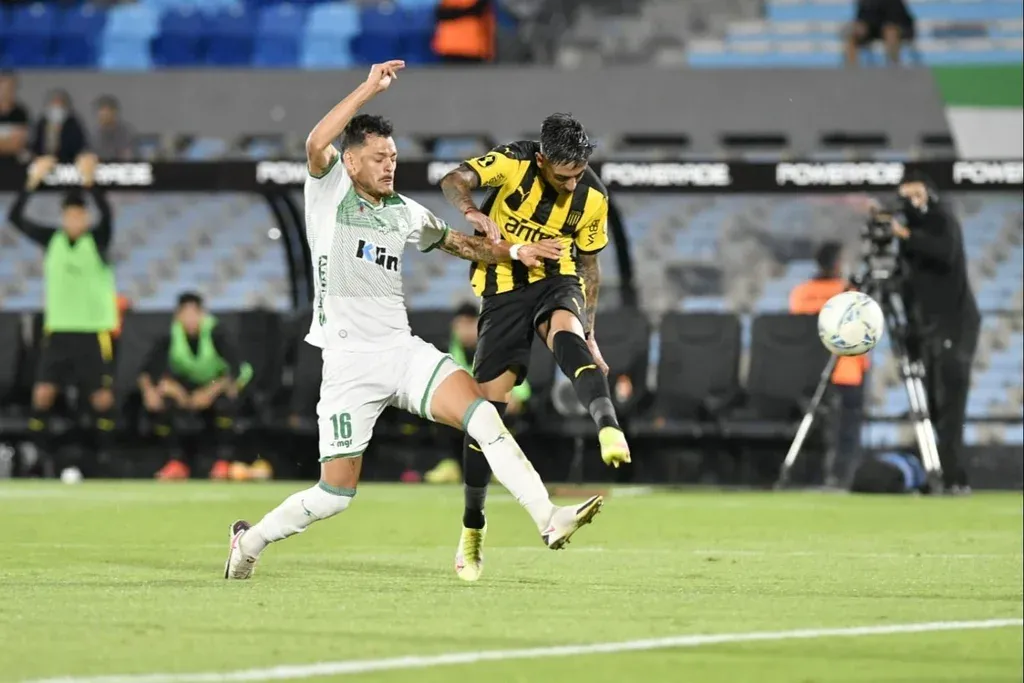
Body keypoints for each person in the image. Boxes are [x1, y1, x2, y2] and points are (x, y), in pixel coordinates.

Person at [224, 61, 601, 581]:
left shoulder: (404, 211)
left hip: (402, 352)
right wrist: (368, 89)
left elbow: (462, 245)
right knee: (335, 494)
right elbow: (315, 142)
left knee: (483, 415)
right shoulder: (330, 191)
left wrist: (515, 250)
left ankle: (548, 517)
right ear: (350, 161)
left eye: (394, 157)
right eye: (378, 158)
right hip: (349, 364)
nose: (389, 166)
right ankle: (250, 541)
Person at [439, 113, 629, 580]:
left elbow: (589, 264)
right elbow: (453, 179)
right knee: (486, 414)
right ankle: (473, 526)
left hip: (555, 278)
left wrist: (589, 329)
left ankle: (608, 426)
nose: (572, 183)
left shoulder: (593, 198)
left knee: (568, 335)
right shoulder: (513, 162)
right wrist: (472, 211)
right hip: (502, 289)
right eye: (564, 176)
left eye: (579, 173)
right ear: (542, 161)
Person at [8, 153, 116, 476]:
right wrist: (32, 181)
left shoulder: (97, 241)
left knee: (101, 399)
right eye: (69, 216)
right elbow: (15, 217)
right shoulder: (52, 240)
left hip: (92, 331)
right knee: (42, 394)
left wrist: (89, 182)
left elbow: (108, 216)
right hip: (58, 331)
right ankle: (36, 459)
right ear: (63, 217)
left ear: (85, 217)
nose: (74, 221)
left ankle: (104, 460)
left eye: (80, 215)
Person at [892, 173, 979, 494]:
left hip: (953, 324)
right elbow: (905, 283)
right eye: (904, 197)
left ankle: (954, 477)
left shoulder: (943, 221)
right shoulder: (910, 238)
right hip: (924, 327)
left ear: (929, 193)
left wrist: (905, 234)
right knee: (928, 403)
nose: (910, 203)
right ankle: (932, 473)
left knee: (949, 403)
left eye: (915, 195)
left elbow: (943, 252)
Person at [138, 292, 255, 481]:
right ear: (178, 315)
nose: (190, 319)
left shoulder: (217, 333)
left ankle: (223, 461)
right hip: (187, 386)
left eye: (194, 314)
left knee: (228, 401)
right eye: (185, 314)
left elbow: (236, 370)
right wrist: (153, 391)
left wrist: (210, 391)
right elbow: (147, 371)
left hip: (217, 384)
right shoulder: (170, 335)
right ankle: (176, 462)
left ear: (202, 314)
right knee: (162, 401)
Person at [424, 302, 532, 484]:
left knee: (506, 408)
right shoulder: (445, 351)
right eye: (461, 325)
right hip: (464, 410)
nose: (465, 331)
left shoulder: (498, 350)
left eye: (470, 324)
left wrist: (512, 397)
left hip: (492, 407)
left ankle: (501, 466)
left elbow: (522, 391)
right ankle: (450, 464)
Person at [789, 242, 869, 486]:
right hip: (848, 372)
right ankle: (843, 479)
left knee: (815, 428)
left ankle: (811, 477)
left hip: (810, 374)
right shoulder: (850, 293)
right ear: (837, 263)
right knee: (847, 431)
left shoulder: (801, 293)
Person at [845, 0, 915, 66]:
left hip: (898, 27)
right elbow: (862, 18)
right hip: (873, 27)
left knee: (890, 32)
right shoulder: (866, 2)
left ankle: (893, 66)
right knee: (853, 33)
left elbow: (899, 19)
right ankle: (851, 68)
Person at [30, 89, 88, 163]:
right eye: (54, 103)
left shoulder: (73, 123)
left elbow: (78, 145)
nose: (57, 106)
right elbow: (35, 144)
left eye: (60, 103)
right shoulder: (42, 122)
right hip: (44, 162)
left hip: (67, 163)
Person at [93, 95, 134, 161]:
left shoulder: (125, 132)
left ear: (114, 112)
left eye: (106, 112)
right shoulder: (95, 134)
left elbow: (127, 155)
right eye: (101, 113)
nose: (103, 116)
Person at [0, 71, 30, 158]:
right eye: (2, 87)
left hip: (14, 162)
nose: (5, 91)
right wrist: (8, 141)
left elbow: (18, 144)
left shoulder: (20, 113)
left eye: (9, 87)